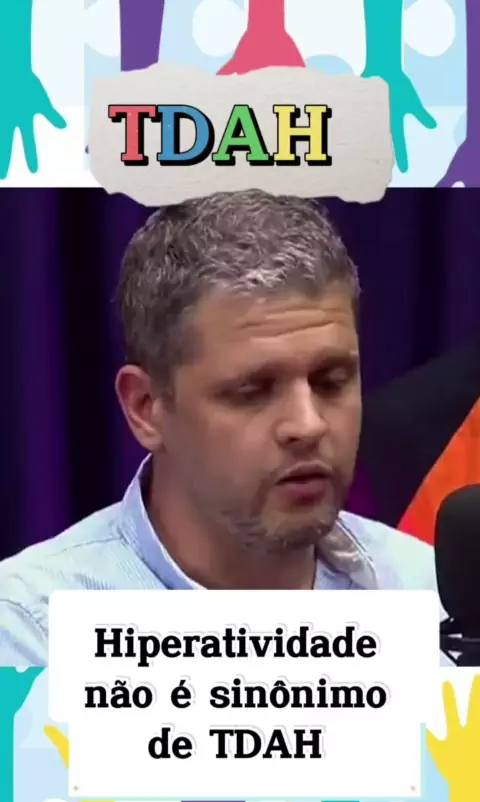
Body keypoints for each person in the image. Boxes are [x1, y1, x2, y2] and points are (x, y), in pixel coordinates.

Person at [0, 189, 442, 666]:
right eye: (253, 391)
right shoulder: (32, 634)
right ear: (146, 408)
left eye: (331, 382)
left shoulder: (432, 600)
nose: (308, 424)